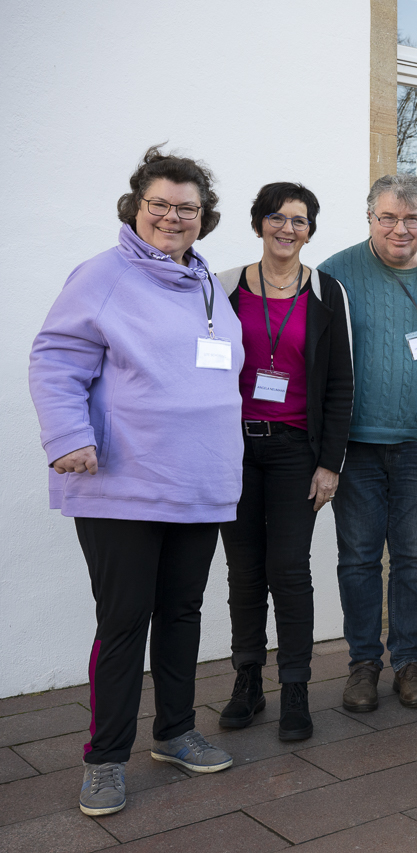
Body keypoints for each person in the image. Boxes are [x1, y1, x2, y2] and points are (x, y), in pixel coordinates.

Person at [29, 146, 242, 816]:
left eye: (187, 207)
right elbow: (56, 357)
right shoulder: (104, 275)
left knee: (182, 613)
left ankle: (175, 731)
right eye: (161, 205)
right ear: (137, 207)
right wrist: (68, 437)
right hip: (122, 482)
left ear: (202, 217)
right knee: (124, 621)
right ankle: (104, 759)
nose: (173, 217)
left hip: (197, 484)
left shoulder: (208, 282)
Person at [316, 174, 417, 714]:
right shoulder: (334, 274)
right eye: (387, 217)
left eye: (412, 219)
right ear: (369, 218)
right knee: (358, 558)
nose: (399, 228)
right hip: (355, 446)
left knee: (413, 558)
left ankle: (409, 660)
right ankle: (363, 663)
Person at [214, 183, 353, 741]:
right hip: (234, 449)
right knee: (243, 571)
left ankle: (295, 686)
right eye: (276, 217)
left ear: (310, 231)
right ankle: (247, 681)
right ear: (257, 224)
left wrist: (330, 462)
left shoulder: (326, 292)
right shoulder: (222, 288)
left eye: (299, 220)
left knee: (290, 571)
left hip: (297, 450)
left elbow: (341, 383)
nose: (287, 228)